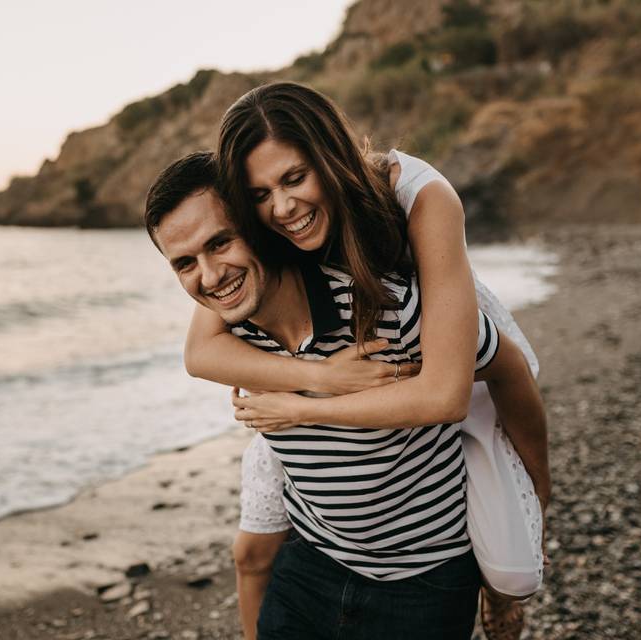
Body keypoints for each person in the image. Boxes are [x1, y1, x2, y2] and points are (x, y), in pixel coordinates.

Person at [185, 82, 549, 640]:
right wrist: (318, 380)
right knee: (254, 546)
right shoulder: (268, 242)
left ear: (329, 157)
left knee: (504, 528)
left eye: (295, 177)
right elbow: (201, 350)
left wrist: (536, 507)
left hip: (443, 339)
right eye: (260, 194)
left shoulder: (419, 198)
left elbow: (447, 394)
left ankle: (502, 591)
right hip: (332, 375)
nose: (282, 208)